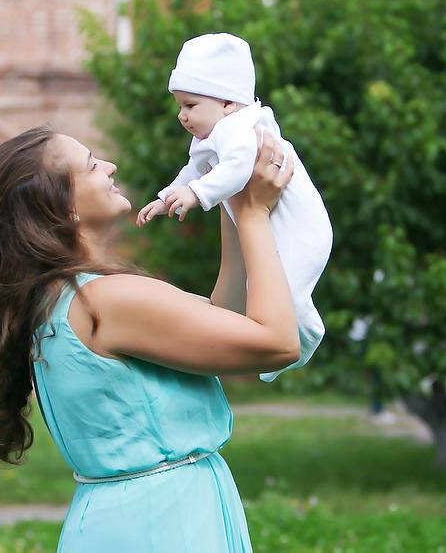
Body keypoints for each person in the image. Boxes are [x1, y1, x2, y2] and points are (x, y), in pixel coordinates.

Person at [0, 124, 297, 552]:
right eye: (93, 165)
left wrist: (231, 201)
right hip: (163, 524)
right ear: (64, 206)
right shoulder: (105, 300)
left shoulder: (62, 295)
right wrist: (255, 214)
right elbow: (276, 343)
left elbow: (222, 330)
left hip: (131, 516)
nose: (111, 166)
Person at [136, 33, 333, 381]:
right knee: (262, 290)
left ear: (228, 103)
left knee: (287, 290)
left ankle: (302, 336)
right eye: (179, 106)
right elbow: (193, 170)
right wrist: (167, 196)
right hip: (272, 222)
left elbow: (237, 169)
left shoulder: (241, 128)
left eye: (191, 105)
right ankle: (278, 344)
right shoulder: (212, 135)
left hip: (301, 226)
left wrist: (196, 194)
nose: (182, 116)